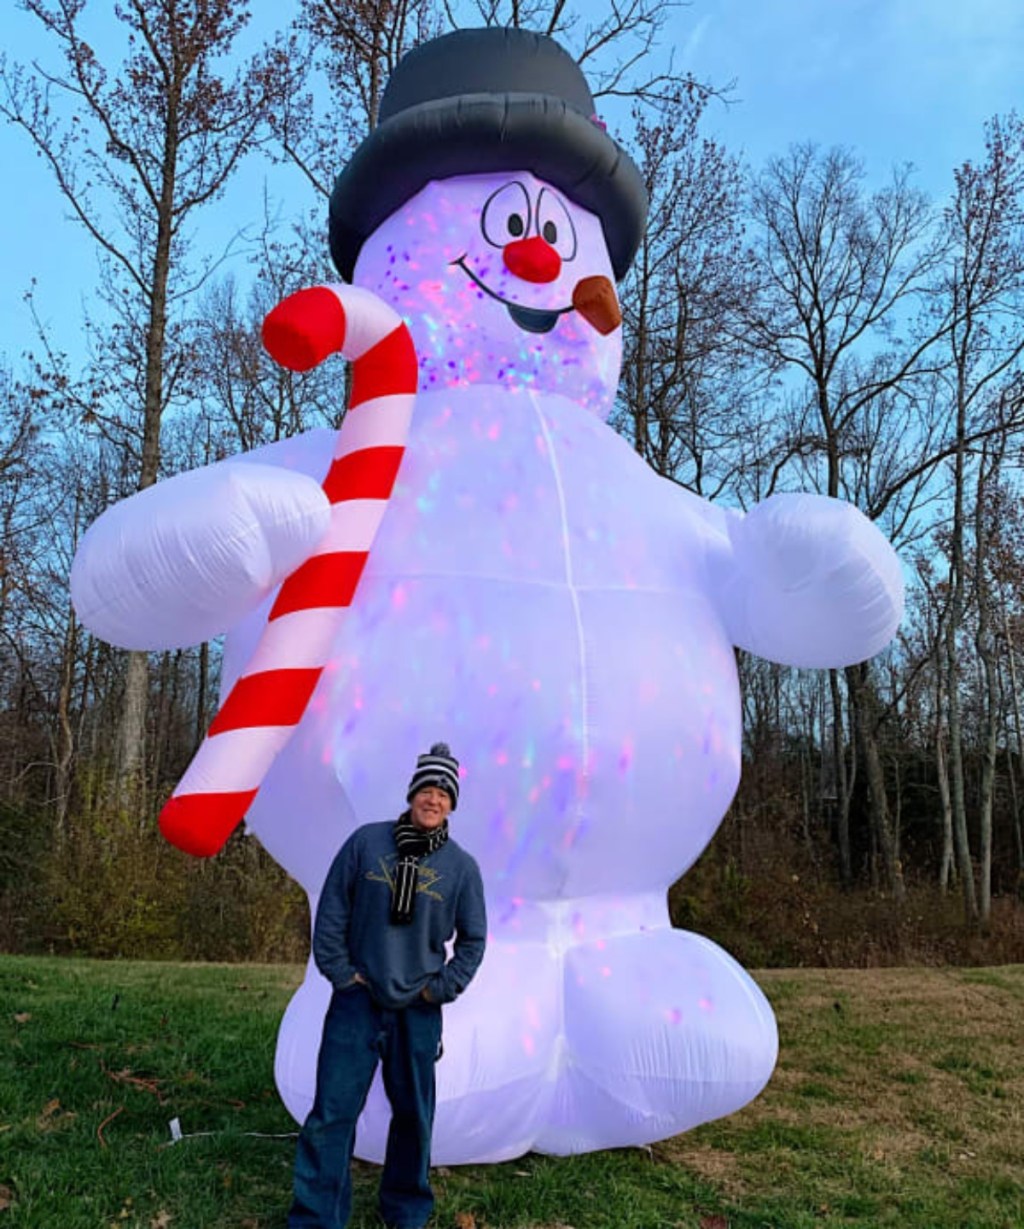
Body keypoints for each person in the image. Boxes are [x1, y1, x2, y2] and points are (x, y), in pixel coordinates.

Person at [288, 742, 487, 1229]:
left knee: (414, 1118)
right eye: (427, 789)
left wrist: (439, 989)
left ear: (451, 804)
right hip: (357, 1002)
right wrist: (340, 973)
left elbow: (474, 940)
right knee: (332, 1114)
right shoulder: (366, 843)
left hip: (417, 1011)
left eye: (443, 793)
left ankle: (405, 1212)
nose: (433, 799)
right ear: (412, 792)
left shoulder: (461, 868)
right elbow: (332, 909)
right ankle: (316, 1218)